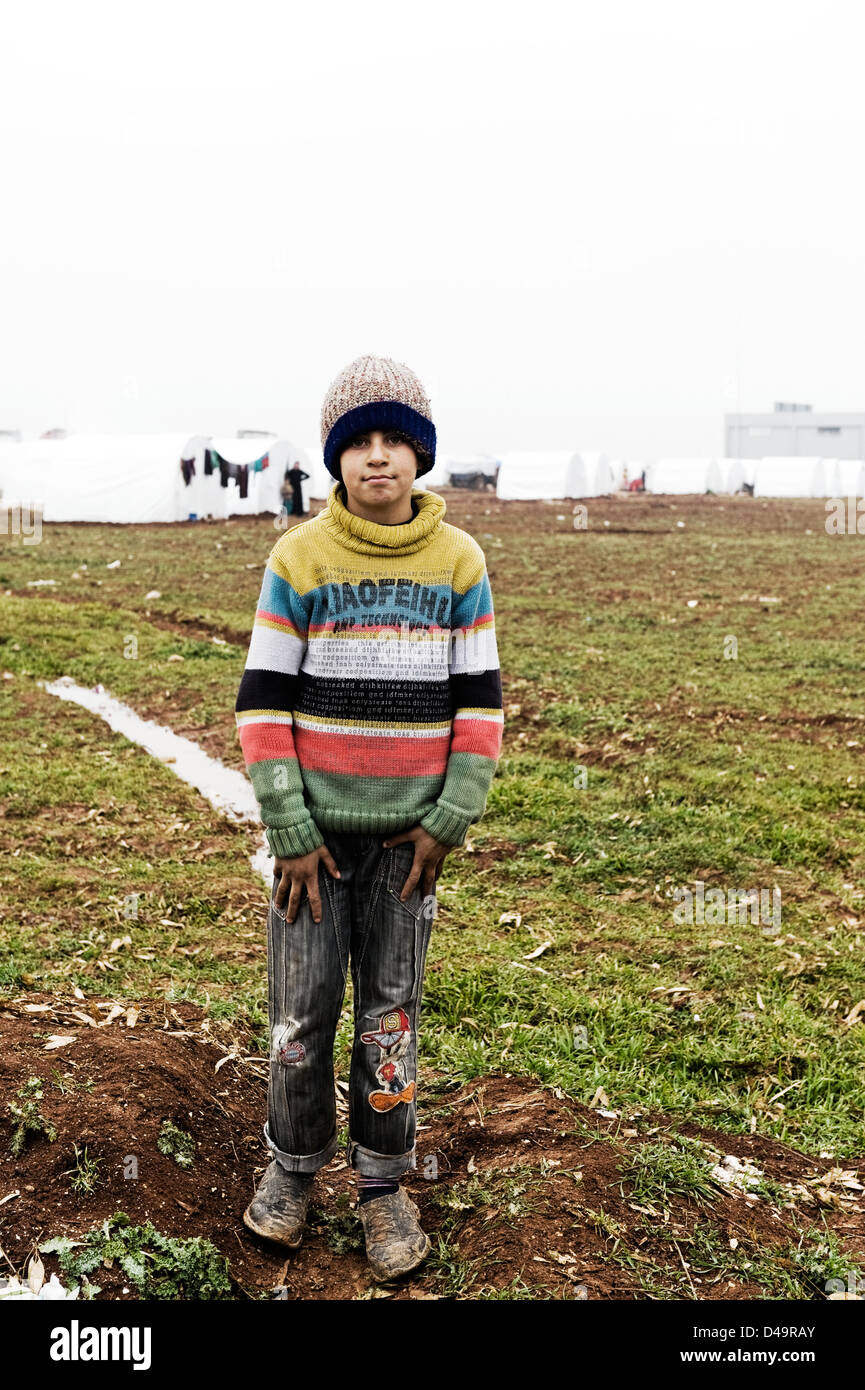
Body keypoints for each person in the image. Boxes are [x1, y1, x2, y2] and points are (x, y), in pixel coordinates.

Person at [234, 354, 504, 1281]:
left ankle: (384, 1183)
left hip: (409, 848)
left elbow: (480, 708)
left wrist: (448, 819)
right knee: (301, 1014)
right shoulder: (298, 559)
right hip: (312, 847)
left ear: (420, 456)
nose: (378, 459)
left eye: (396, 442)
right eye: (359, 443)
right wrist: (292, 831)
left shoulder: (457, 562)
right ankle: (293, 1167)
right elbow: (263, 707)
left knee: (390, 1015)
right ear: (335, 460)